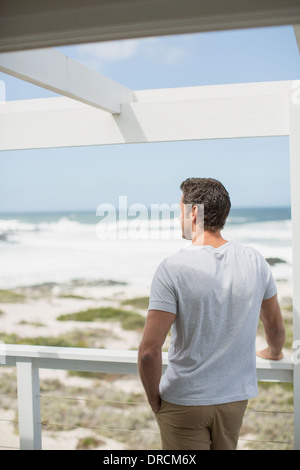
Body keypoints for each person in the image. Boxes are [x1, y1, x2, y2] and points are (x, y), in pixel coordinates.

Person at [138, 177, 285, 450]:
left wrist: (154, 400)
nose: (178, 217)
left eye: (179, 209)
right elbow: (275, 329)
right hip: (234, 399)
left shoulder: (173, 267)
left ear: (194, 212)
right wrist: (274, 353)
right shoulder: (255, 260)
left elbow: (149, 351)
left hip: (184, 401)